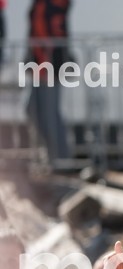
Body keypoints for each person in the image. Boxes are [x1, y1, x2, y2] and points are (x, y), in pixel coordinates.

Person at [27, 0, 72, 170]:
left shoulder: (55, 4)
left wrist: (48, 63)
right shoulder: (40, 4)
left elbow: (55, 33)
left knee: (50, 113)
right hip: (38, 66)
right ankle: (52, 156)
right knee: (32, 108)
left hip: (50, 66)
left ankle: (61, 159)